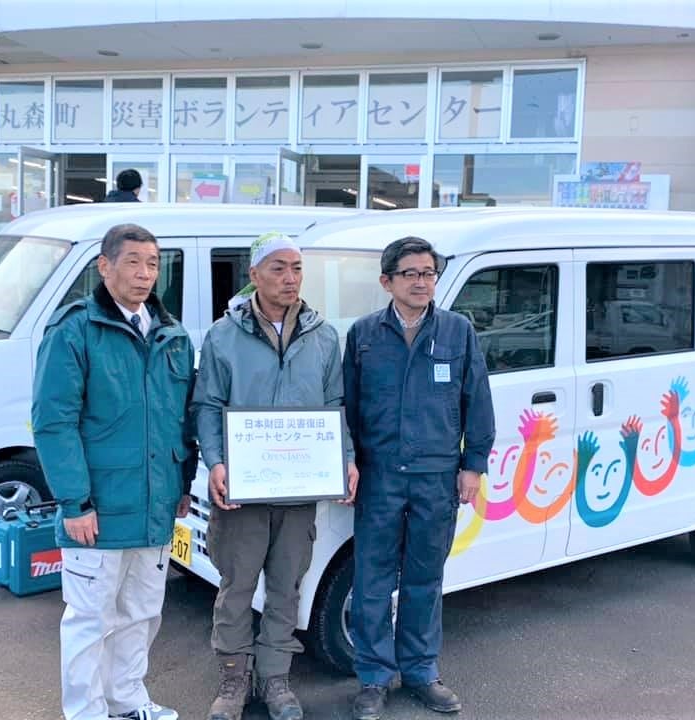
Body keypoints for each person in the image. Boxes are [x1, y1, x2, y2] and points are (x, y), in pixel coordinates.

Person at [32, 223, 197, 720]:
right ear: (104, 266)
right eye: (133, 262)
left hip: (154, 505)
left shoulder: (172, 336)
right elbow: (53, 422)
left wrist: (181, 484)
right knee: (89, 619)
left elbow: (181, 419)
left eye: (153, 264)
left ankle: (127, 700)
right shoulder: (75, 330)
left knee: (142, 613)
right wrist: (75, 502)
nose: (145, 274)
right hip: (97, 508)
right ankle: (86, 712)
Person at [192, 231, 359, 720]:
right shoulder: (224, 335)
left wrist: (345, 458)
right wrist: (216, 461)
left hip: (297, 490)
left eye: (297, 268)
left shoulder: (322, 336)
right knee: (237, 587)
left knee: (287, 587)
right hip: (243, 489)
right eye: (278, 268)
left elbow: (334, 405)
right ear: (254, 275)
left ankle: (276, 680)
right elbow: (208, 405)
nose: (290, 278)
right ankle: (233, 680)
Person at [343, 236, 495, 720]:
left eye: (428, 273)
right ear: (387, 281)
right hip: (380, 476)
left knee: (425, 578)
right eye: (409, 274)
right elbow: (348, 406)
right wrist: (348, 460)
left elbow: (477, 400)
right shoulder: (364, 334)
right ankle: (373, 678)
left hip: (437, 475)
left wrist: (473, 465)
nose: (421, 282)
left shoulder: (457, 331)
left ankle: (421, 672)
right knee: (371, 580)